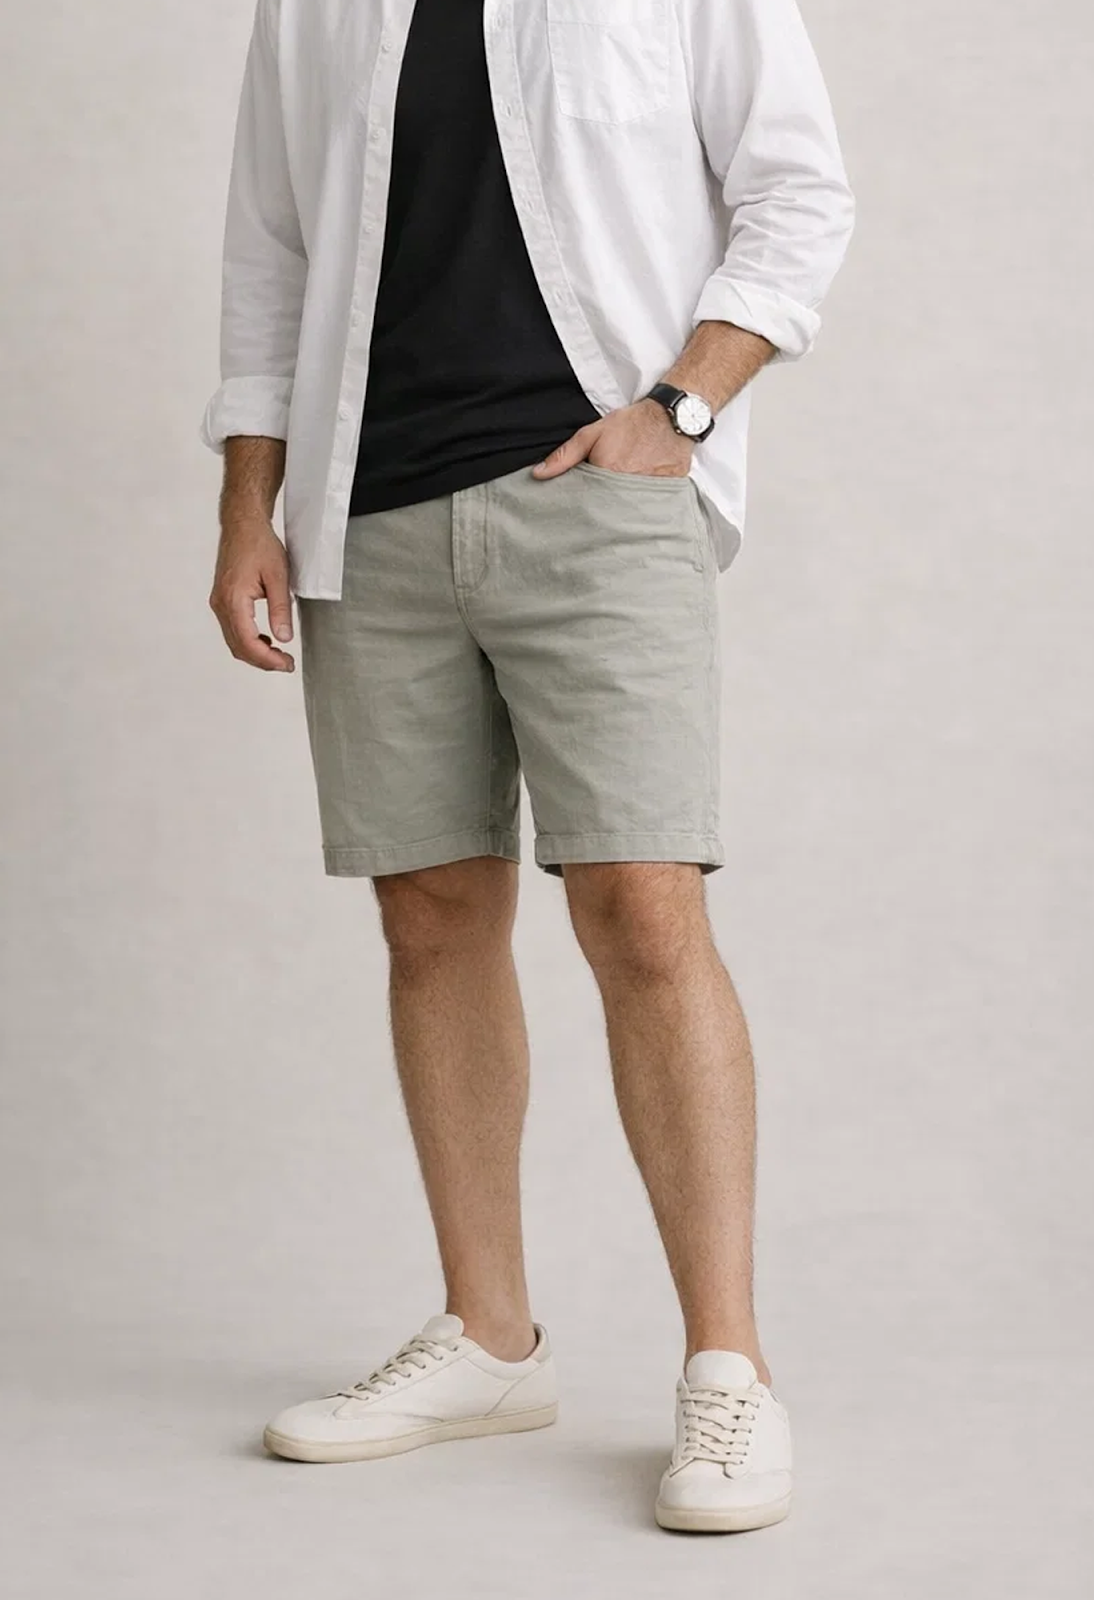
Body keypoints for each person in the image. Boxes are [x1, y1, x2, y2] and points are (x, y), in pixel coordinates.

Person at [203, 0, 853, 1534]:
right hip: (367, 508)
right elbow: (269, 254)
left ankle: (730, 1367)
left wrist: (681, 406)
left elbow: (797, 188)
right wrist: (249, 503)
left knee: (642, 906)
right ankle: (490, 1339)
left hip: (599, 497)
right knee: (429, 916)